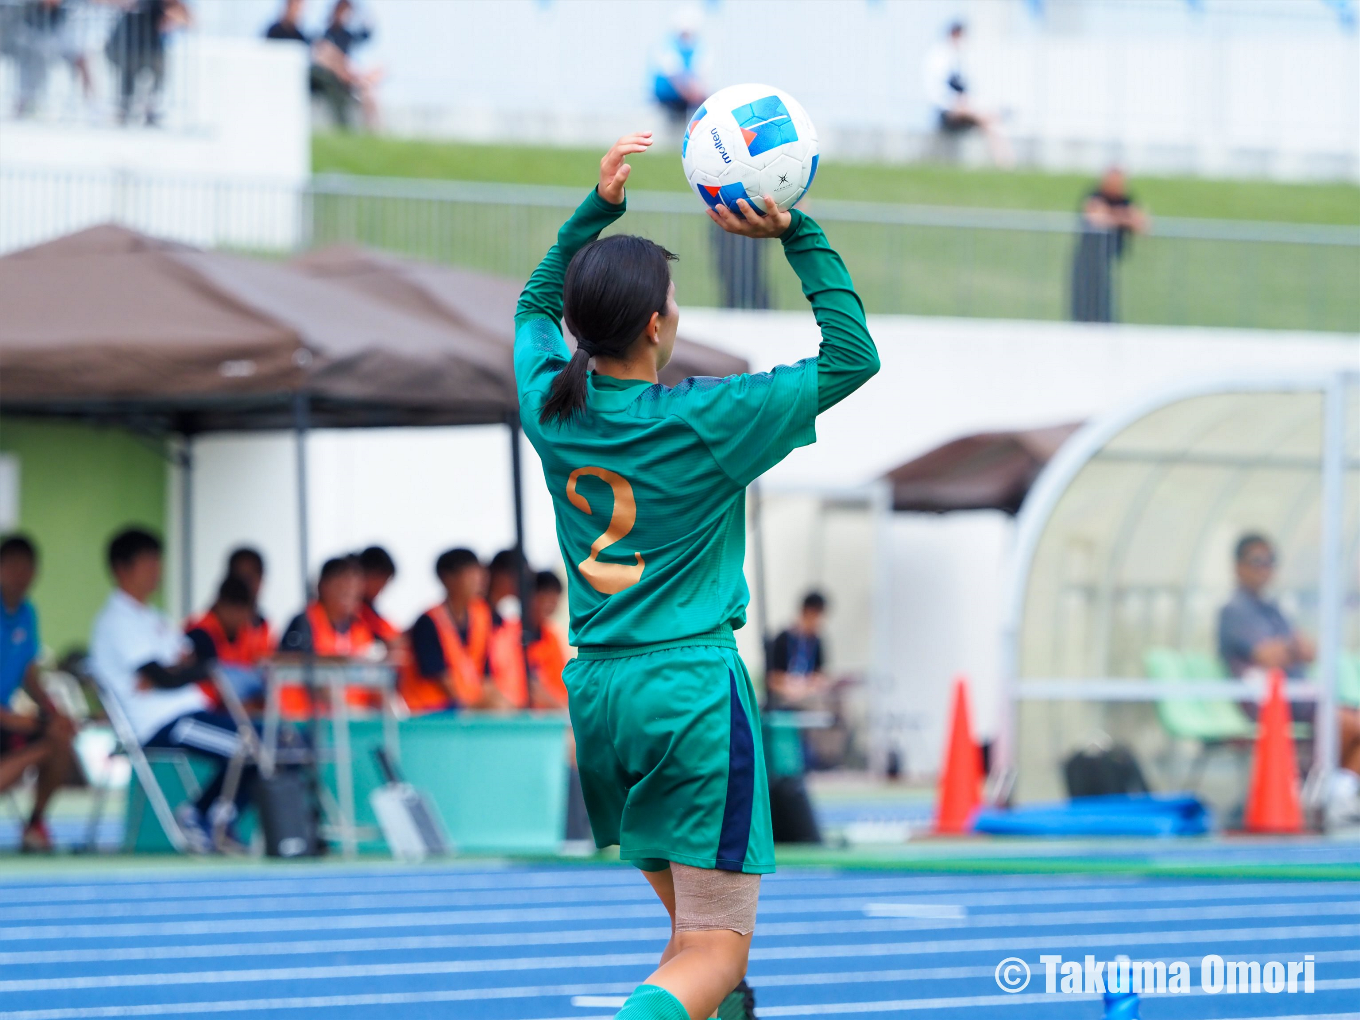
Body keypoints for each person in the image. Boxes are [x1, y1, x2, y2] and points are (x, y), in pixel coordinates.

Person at [515, 133, 878, 1020]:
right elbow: (852, 356)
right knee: (716, 949)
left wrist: (596, 211)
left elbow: (531, 304)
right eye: (673, 299)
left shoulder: (550, 406)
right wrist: (797, 234)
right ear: (655, 325)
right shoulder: (709, 418)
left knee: (692, 944)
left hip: (600, 696)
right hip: (688, 692)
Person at [89, 528, 255, 853]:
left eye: (158, 561)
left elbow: (191, 662)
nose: (157, 570)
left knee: (274, 742)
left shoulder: (155, 618)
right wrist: (178, 672)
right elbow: (171, 674)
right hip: (161, 722)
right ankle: (203, 815)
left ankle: (214, 818)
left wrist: (176, 672)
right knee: (252, 748)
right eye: (147, 562)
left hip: (188, 713)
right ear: (122, 568)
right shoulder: (116, 621)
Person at [1217, 533, 1360, 827]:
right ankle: (1319, 792)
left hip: (1299, 698)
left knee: (1350, 721)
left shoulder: (1273, 609)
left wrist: (1289, 650)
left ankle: (1337, 791)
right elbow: (1268, 655)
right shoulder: (1234, 611)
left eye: (1270, 561)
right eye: (1257, 561)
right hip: (1269, 704)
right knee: (1344, 722)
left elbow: (1308, 650)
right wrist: (1292, 649)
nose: (1264, 568)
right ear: (1238, 566)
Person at [0, 535, 78, 853]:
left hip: (8, 720)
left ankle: (35, 825)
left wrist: (54, 714)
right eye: (13, 566)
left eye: (27, 567)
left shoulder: (27, 613)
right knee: (46, 737)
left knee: (61, 735)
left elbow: (29, 675)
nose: (21, 575)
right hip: (6, 718)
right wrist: (26, 722)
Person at [403, 549, 521, 712]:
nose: (479, 580)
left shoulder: (481, 615)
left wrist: (505, 704)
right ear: (447, 578)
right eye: (471, 574)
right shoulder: (428, 622)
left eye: (480, 574)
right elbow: (442, 680)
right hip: (431, 712)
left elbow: (485, 675)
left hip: (464, 708)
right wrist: (479, 705)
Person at [278, 556, 380, 714]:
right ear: (323, 586)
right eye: (342, 589)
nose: (349, 595)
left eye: (354, 592)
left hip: (354, 719)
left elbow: (375, 677)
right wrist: (346, 710)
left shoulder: (361, 628)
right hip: (305, 719)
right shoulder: (305, 621)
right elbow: (301, 668)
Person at [920, 20, 1012, 167]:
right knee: (988, 118)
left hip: (962, 107)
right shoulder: (938, 57)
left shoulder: (957, 58)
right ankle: (1004, 163)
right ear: (955, 34)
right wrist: (956, 103)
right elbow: (936, 92)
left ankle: (1005, 162)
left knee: (991, 122)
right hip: (946, 110)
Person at [1070, 167, 1148, 323]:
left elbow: (1142, 224)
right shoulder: (1095, 195)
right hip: (1087, 260)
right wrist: (1124, 217)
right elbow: (1096, 218)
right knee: (1085, 299)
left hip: (1108, 260)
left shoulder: (1125, 199)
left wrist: (1112, 216)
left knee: (1105, 302)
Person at [185, 574, 272, 702]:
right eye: (240, 611)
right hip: (205, 706)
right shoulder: (200, 634)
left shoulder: (247, 633)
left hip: (239, 706)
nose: (244, 619)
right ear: (223, 605)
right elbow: (212, 686)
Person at [105, 0, 191, 127]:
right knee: (129, 75)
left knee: (155, 76)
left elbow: (184, 18)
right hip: (130, 45)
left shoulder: (161, 5)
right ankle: (125, 110)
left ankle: (148, 109)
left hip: (150, 47)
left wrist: (171, 19)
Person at [3, 0, 93, 119]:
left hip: (54, 32)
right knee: (33, 62)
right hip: (30, 33)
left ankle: (92, 102)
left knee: (81, 58)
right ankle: (22, 105)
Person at [312, 0, 382, 130]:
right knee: (327, 52)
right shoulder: (326, 35)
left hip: (349, 74)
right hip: (335, 77)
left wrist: (359, 8)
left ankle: (374, 129)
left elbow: (368, 31)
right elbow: (322, 56)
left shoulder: (348, 35)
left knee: (372, 83)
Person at [765, 592, 828, 711]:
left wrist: (809, 685)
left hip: (809, 696)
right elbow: (771, 678)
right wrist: (792, 685)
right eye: (816, 616)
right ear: (807, 612)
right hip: (784, 698)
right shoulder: (783, 639)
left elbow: (819, 676)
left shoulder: (816, 642)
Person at [648, 7, 706, 127]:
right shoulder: (668, 48)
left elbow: (696, 78)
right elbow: (676, 79)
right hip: (668, 95)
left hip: (684, 95)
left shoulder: (696, 50)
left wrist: (701, 95)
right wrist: (693, 97)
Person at [357, 545, 400, 647]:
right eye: (377, 578)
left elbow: (392, 635)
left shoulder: (370, 611)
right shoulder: (352, 611)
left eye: (385, 581)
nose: (381, 586)